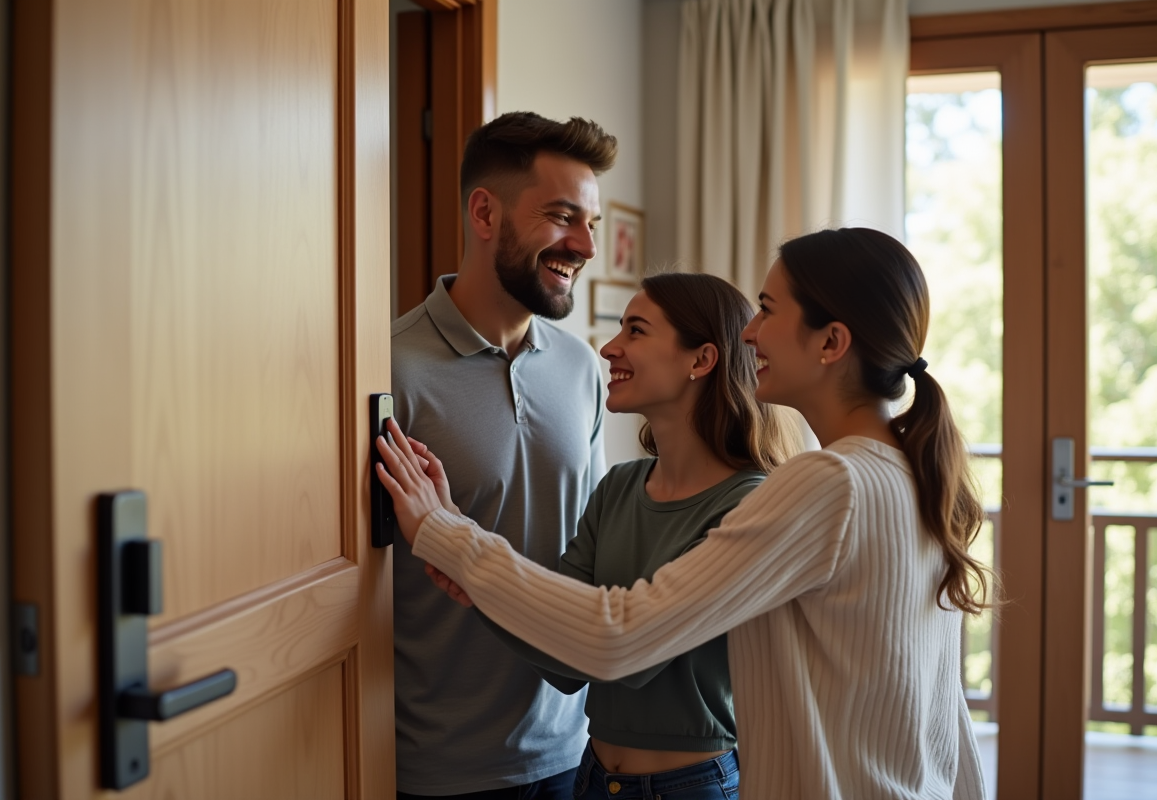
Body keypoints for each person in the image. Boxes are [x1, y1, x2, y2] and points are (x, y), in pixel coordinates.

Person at [379, 227, 991, 799]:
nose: (749, 335)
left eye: (769, 311)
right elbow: (945, 720)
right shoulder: (907, 473)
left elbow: (618, 637)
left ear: (831, 343)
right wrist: (478, 578)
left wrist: (444, 531)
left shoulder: (830, 484)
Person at [471, 272, 796, 799]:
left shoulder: (750, 504)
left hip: (692, 787)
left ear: (701, 360)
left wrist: (473, 563)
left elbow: (624, 655)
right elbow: (564, 660)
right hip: (593, 777)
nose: (609, 348)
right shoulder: (619, 487)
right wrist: (476, 585)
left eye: (636, 331)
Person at [388, 111, 616, 799]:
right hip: (439, 769)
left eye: (592, 224)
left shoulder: (581, 368)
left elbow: (591, 548)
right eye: (561, 216)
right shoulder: (388, 369)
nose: (583, 245)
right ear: (485, 213)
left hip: (577, 750)